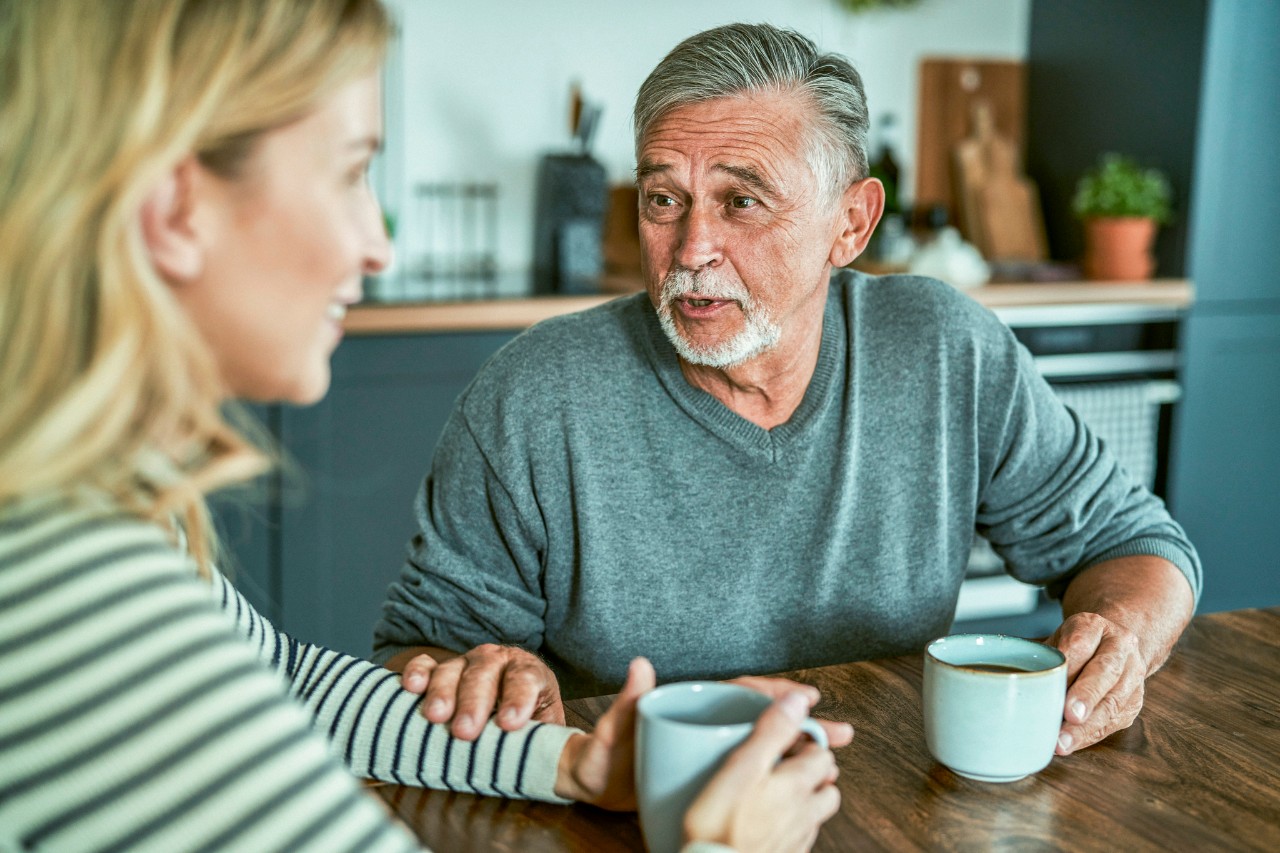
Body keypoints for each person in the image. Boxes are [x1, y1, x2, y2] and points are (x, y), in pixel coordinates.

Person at [0, 4, 847, 852]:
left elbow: (285, 684)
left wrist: (571, 760)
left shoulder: (93, 514)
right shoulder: (69, 595)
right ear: (174, 208)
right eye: (349, 173)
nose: (379, 246)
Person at [374, 22, 1201, 760]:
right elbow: (417, 651)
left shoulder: (945, 348)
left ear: (852, 223)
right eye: (664, 199)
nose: (694, 246)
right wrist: (475, 675)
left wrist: (1121, 637)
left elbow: (1135, 544)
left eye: (742, 201)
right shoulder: (535, 392)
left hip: (886, 792)